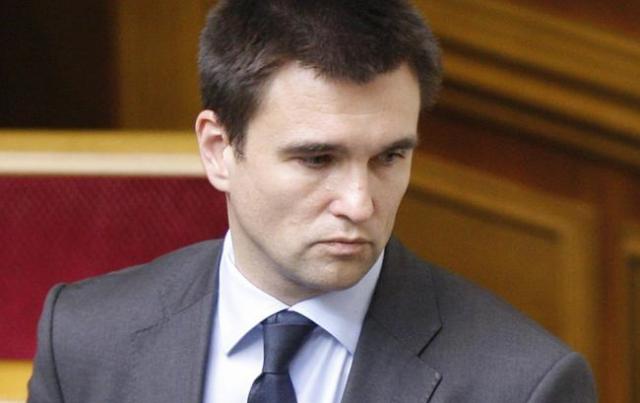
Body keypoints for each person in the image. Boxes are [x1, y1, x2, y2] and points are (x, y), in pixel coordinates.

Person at [28, 0, 597, 402]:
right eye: (318, 159)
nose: (359, 203)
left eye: (389, 157)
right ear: (219, 150)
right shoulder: (84, 336)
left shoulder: (524, 385)